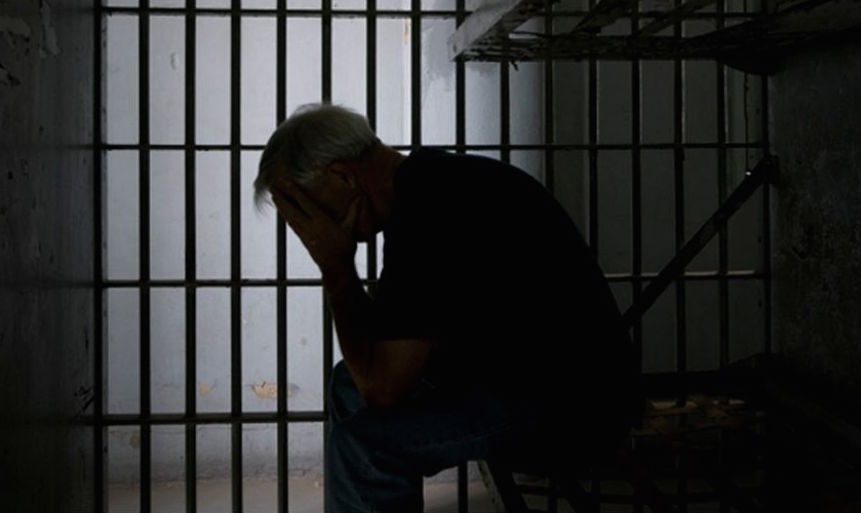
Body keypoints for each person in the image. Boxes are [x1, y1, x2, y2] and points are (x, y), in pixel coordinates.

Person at [254, 103, 643, 513]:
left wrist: (334, 267)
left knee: (365, 447)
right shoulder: (427, 185)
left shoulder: (429, 210)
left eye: (304, 208)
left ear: (342, 176)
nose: (308, 226)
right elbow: (378, 363)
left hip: (574, 405)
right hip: (531, 376)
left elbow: (382, 387)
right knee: (347, 383)